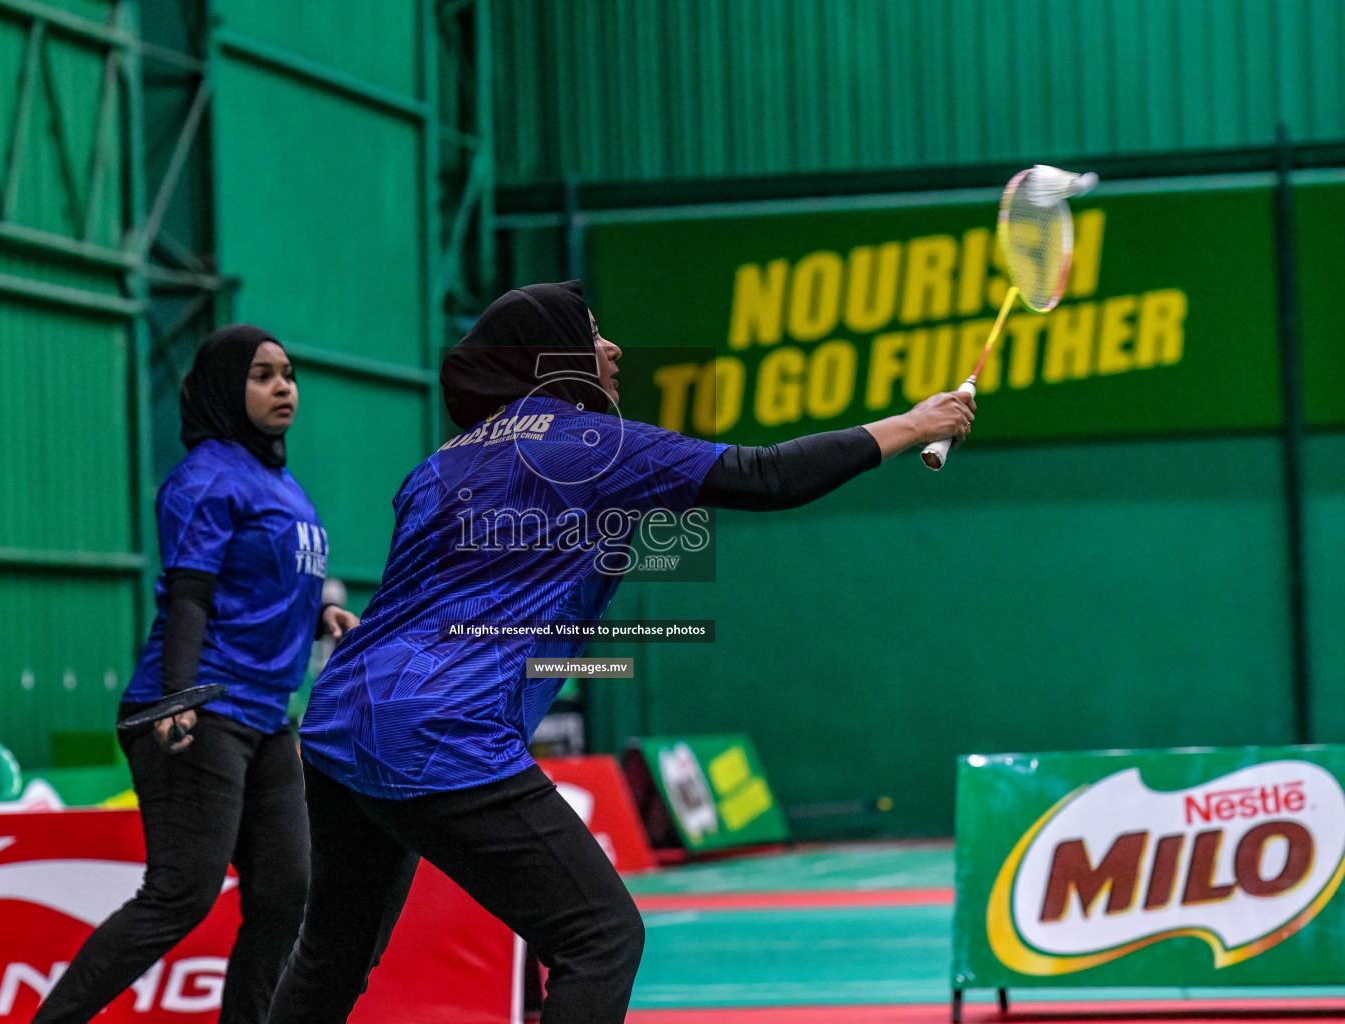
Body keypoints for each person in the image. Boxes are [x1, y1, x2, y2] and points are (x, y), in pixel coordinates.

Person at [268, 281, 975, 1023]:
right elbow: (769, 476)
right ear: (554, 359)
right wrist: (911, 423)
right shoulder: (594, 444)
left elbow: (423, 592)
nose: (613, 349)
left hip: (339, 719)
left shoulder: (437, 465)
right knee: (599, 935)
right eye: (593, 334)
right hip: (444, 727)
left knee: (331, 954)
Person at [33, 325, 358, 1024]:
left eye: (289, 374)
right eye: (263, 375)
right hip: (195, 705)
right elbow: (191, 595)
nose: (283, 388)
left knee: (284, 891)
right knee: (182, 892)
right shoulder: (206, 476)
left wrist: (319, 620)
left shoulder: (282, 482)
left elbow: (264, 589)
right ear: (223, 388)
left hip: (267, 715)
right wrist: (177, 700)